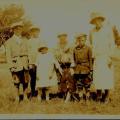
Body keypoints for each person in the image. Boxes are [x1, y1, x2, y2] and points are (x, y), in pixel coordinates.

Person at [89, 12, 115, 103]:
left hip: (106, 56)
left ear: (101, 20)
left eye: (99, 20)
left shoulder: (108, 30)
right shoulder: (92, 32)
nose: (97, 22)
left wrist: (110, 57)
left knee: (107, 77)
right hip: (97, 57)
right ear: (93, 22)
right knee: (98, 77)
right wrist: (92, 57)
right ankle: (99, 95)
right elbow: (91, 44)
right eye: (95, 21)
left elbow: (112, 44)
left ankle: (107, 95)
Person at [5, 25, 30, 102]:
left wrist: (29, 62)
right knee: (16, 82)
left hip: (25, 63)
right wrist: (11, 66)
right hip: (15, 64)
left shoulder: (25, 40)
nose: (19, 31)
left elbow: (29, 52)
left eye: (20, 29)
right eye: (17, 29)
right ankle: (17, 97)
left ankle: (25, 97)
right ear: (13, 30)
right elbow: (8, 55)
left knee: (26, 81)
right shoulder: (9, 42)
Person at [53, 33, 75, 101]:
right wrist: (58, 67)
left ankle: (69, 94)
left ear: (66, 37)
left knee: (69, 80)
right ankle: (62, 93)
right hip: (60, 65)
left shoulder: (70, 45)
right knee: (60, 80)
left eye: (64, 37)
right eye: (60, 37)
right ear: (59, 38)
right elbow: (55, 57)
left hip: (68, 65)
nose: (62, 39)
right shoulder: (56, 46)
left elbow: (73, 56)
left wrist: (72, 66)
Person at [73, 34, 93, 102]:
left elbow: (90, 59)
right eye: (79, 40)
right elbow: (74, 60)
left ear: (85, 40)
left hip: (86, 68)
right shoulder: (75, 49)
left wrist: (91, 69)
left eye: (83, 40)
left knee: (87, 85)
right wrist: (74, 69)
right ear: (77, 41)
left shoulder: (88, 48)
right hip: (78, 69)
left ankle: (87, 98)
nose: (81, 42)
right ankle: (81, 98)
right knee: (79, 84)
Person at [27, 27, 40, 98]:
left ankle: (41, 92)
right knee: (33, 77)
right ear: (32, 32)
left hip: (41, 62)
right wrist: (30, 63)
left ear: (39, 32)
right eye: (34, 31)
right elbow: (29, 53)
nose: (35, 33)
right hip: (32, 62)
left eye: (37, 31)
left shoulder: (42, 40)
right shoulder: (29, 41)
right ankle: (33, 92)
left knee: (41, 77)